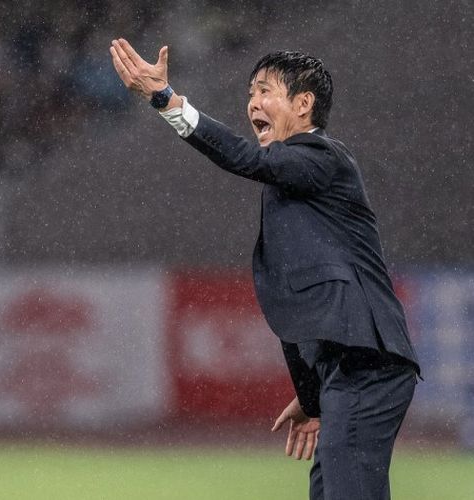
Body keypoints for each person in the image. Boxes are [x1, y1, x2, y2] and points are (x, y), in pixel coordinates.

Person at [110, 39, 419, 499]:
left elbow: (247, 158)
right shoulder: (291, 185)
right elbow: (295, 304)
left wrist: (167, 101)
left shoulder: (322, 157)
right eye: (250, 92)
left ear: (303, 103)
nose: (253, 102)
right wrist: (312, 396)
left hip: (365, 363)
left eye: (265, 90)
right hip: (347, 369)